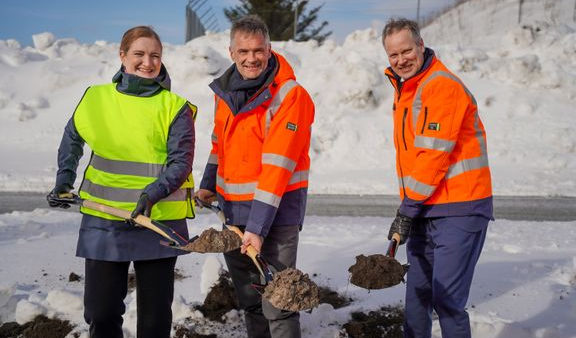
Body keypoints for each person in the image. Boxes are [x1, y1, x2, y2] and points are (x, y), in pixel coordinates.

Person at [46, 26, 197, 338]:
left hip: (158, 223)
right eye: (139, 54)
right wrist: (64, 180)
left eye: (155, 55)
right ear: (123, 56)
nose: (147, 62)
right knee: (101, 314)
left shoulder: (175, 106)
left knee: (155, 322)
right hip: (104, 218)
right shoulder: (96, 97)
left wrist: (152, 195)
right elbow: (72, 140)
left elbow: (180, 162)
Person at [195, 15, 315, 338]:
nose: (252, 58)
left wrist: (257, 229)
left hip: (276, 218)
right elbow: (219, 144)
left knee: (279, 304)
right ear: (231, 52)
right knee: (250, 300)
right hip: (233, 213)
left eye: (258, 50)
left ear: (269, 49)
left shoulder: (290, 96)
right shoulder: (226, 92)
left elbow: (277, 167)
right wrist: (208, 185)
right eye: (243, 51)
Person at [381, 18, 493, 338]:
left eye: (406, 50)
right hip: (426, 205)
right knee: (416, 294)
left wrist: (406, 209)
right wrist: (411, 208)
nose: (401, 60)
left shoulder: (440, 85)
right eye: (393, 55)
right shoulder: (407, 88)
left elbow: (433, 155)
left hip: (461, 206)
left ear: (420, 45)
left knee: (447, 300)